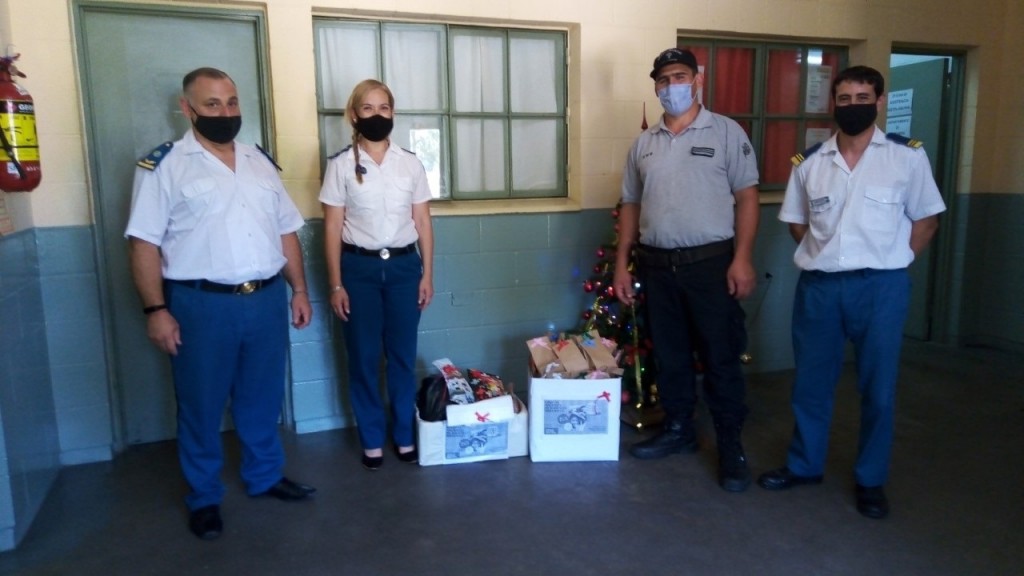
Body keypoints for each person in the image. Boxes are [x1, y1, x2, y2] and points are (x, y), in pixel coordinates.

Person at [126, 67, 316, 541]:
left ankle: (265, 476)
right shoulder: (164, 165)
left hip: (265, 298)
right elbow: (143, 243)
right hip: (200, 305)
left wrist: (299, 288)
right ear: (186, 109)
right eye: (212, 104)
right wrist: (156, 310)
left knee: (262, 397)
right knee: (201, 404)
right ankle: (204, 497)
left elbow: (286, 231)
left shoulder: (259, 161)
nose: (225, 112)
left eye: (231, 102)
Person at [758, 65, 946, 519]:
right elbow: (799, 223)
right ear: (834, 104)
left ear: (880, 101)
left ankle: (870, 479)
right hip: (821, 288)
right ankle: (805, 465)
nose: (854, 105)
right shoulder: (811, 163)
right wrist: (823, 255)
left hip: (881, 289)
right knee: (811, 384)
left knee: (877, 389)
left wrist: (896, 263)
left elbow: (926, 220)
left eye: (863, 96)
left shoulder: (907, 158)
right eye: (844, 98)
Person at [613, 48, 760, 492]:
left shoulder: (726, 133)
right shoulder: (645, 143)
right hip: (658, 266)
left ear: (697, 79)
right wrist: (622, 262)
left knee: (719, 355)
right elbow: (631, 205)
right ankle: (679, 430)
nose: (670, 86)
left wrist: (743, 257)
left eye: (678, 76)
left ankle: (731, 445)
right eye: (662, 80)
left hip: (711, 265)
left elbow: (748, 197)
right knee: (670, 356)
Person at [319, 79, 434, 471]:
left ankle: (403, 435)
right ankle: (371, 438)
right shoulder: (340, 166)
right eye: (367, 109)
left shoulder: (410, 163)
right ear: (354, 115)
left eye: (383, 108)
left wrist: (427, 275)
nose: (377, 115)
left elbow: (423, 221)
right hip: (359, 270)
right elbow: (332, 228)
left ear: (393, 113)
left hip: (404, 269)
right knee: (364, 357)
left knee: (402, 357)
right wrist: (336, 284)